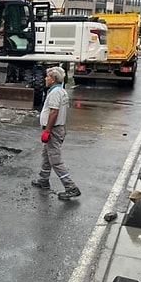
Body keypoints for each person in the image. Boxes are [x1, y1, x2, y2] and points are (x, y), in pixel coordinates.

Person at [31, 66, 81, 200]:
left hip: (53, 129)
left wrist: (47, 130)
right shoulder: (61, 91)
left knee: (55, 160)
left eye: (47, 76)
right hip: (58, 128)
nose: (45, 79)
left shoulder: (54, 93)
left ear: (53, 79)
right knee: (46, 155)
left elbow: (54, 112)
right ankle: (43, 180)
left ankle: (71, 187)